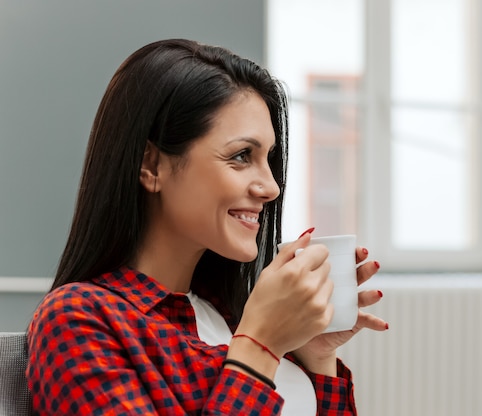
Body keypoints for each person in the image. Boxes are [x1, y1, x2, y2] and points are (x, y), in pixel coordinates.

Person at [26, 39, 387, 415]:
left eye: (269, 158)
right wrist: (260, 345)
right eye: (241, 156)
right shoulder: (78, 321)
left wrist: (316, 356)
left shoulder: (230, 316)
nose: (271, 187)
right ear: (151, 165)